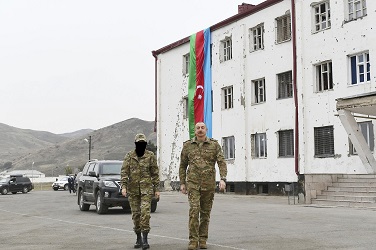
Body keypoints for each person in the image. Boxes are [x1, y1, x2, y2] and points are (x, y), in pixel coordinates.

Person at [179, 122, 227, 250]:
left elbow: (221, 162)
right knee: (194, 211)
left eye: (202, 128)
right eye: (198, 128)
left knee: (205, 213)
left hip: (208, 184)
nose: (200, 130)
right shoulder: (188, 146)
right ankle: (193, 240)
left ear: (206, 130)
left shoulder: (214, 145)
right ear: (195, 131)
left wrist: (223, 179)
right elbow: (183, 165)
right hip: (193, 184)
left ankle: (203, 239)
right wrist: (182, 183)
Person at [121, 133, 160, 250]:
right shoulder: (129, 156)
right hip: (133, 191)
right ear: (135, 143)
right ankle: (138, 237)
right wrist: (124, 186)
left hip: (146, 190)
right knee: (136, 215)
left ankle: (145, 239)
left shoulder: (150, 156)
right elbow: (124, 172)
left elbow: (155, 173)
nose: (141, 145)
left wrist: (157, 189)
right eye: (139, 143)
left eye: (143, 143)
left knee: (145, 214)